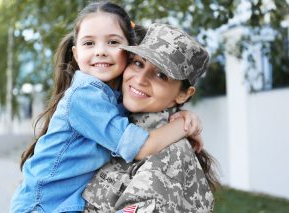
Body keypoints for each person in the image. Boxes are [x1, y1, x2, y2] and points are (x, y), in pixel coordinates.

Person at [10, 2, 203, 213]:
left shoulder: (114, 95)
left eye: (112, 42)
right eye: (89, 43)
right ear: (76, 53)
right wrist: (185, 126)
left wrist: (180, 112)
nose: (100, 51)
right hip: (44, 206)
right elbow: (140, 147)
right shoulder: (85, 95)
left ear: (128, 51)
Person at [82, 23, 220, 213]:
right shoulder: (110, 117)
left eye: (161, 75)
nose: (140, 79)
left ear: (183, 95)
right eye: (138, 63)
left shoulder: (168, 152)